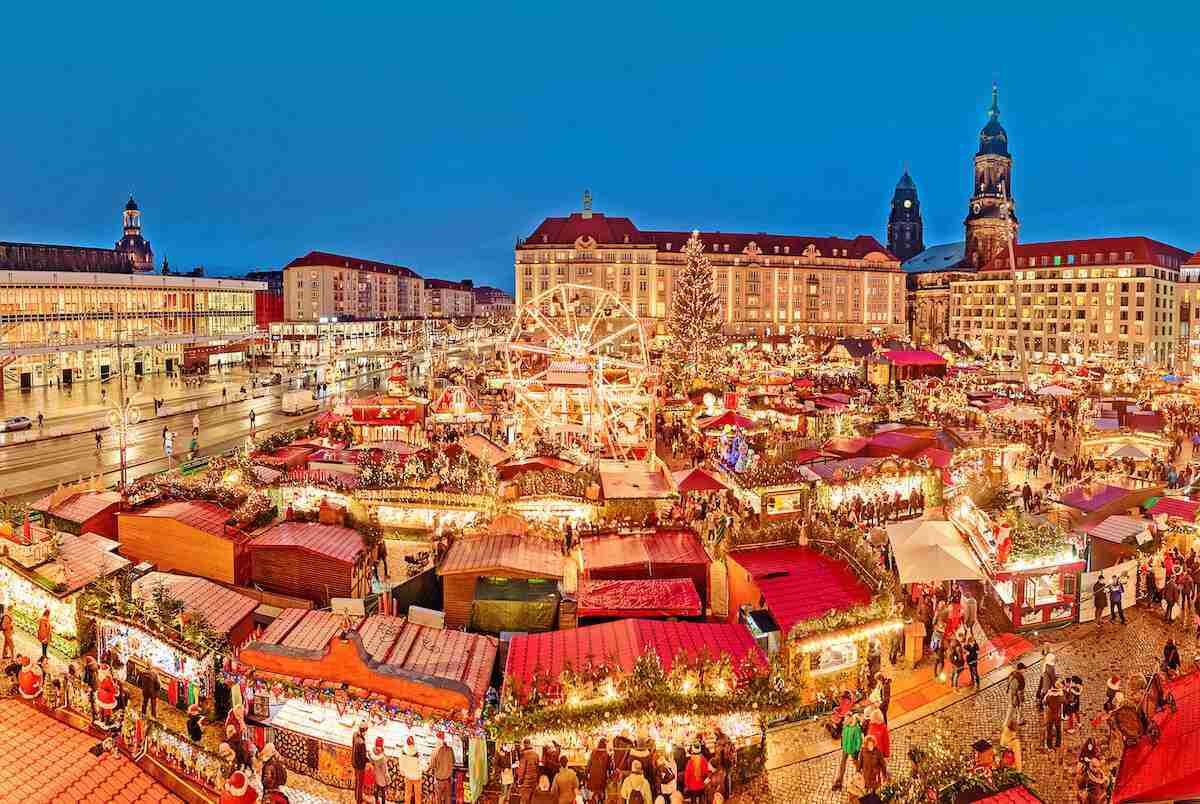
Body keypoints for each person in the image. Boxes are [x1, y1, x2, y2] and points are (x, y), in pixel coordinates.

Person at [831, 712, 862, 791]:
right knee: (842, 765)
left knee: (856, 764)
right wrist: (842, 744)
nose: (845, 720)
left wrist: (857, 750)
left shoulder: (856, 728)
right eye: (845, 719)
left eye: (846, 719)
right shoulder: (845, 726)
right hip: (845, 748)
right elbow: (843, 735)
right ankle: (839, 782)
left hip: (853, 750)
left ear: (851, 718)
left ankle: (860, 776)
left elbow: (859, 740)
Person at [397, 735, 424, 804]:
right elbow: (422, 764)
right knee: (417, 796)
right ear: (414, 743)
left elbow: (401, 763)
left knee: (407, 794)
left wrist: (403, 772)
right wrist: (423, 769)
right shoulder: (418, 751)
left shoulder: (403, 751)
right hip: (417, 777)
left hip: (408, 776)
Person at [431, 732, 455, 804]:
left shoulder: (435, 751)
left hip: (439, 780)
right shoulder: (450, 749)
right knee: (448, 798)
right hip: (448, 780)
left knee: (438, 799)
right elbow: (453, 761)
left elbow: (432, 765)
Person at [586, 738, 612, 803]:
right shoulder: (606, 755)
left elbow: (589, 764)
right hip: (601, 780)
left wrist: (587, 773)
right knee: (601, 795)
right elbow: (609, 768)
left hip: (593, 779)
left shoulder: (594, 752)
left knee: (593, 795)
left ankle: (595, 800)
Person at [1043, 679, 1064, 755]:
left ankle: (1049, 745)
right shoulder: (1061, 696)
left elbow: (1044, 702)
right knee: (1058, 730)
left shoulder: (1048, 696)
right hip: (1057, 715)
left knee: (1049, 730)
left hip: (1050, 715)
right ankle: (1058, 743)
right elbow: (1064, 701)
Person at [517, 738, 541, 804]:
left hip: (526, 781)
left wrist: (519, 780)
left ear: (524, 744)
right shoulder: (536, 754)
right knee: (531, 800)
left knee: (524, 800)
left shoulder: (524, 754)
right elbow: (537, 769)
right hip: (534, 780)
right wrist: (537, 780)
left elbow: (522, 769)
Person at [1005, 662, 1027, 727]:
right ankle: (1006, 723)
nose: (1025, 670)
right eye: (1024, 669)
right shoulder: (1018, 677)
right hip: (1014, 696)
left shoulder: (1014, 674)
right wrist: (1019, 698)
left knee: (1019, 707)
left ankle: (1019, 720)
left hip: (1014, 695)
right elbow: (1015, 690)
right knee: (1012, 708)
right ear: (1020, 669)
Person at [370, 736, 391, 804]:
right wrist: (388, 780)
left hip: (375, 776)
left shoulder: (372, 752)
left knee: (376, 790)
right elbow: (385, 771)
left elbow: (371, 761)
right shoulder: (382, 758)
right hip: (382, 779)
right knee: (383, 793)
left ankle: (376, 801)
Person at [352, 722, 368, 804]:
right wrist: (369, 759)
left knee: (357, 781)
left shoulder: (355, 734)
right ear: (364, 731)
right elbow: (363, 758)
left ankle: (356, 796)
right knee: (360, 785)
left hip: (354, 762)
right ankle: (359, 800)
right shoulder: (362, 743)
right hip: (360, 766)